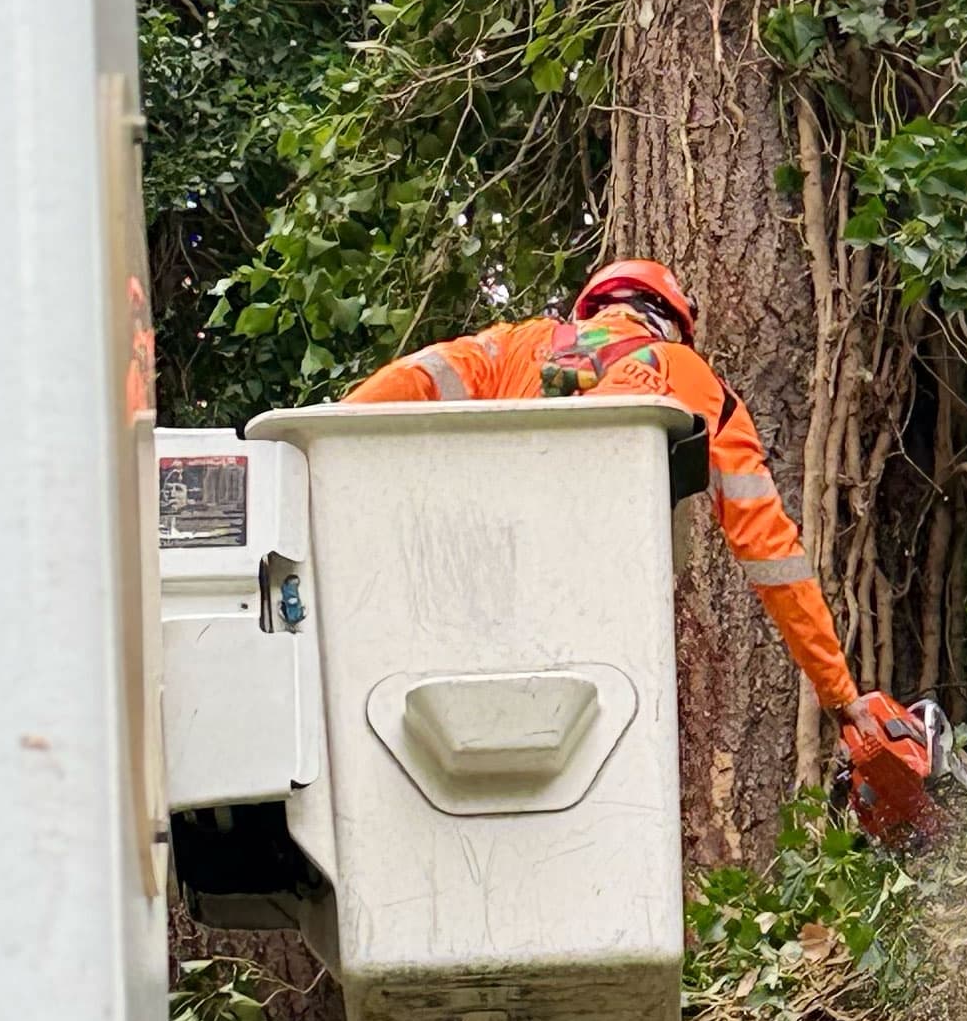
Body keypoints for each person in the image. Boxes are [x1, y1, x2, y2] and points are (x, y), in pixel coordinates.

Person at [345, 259, 880, 737]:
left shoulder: (517, 345)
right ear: (673, 323)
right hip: (606, 622)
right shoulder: (690, 375)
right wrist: (837, 690)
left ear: (593, 307)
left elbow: (412, 378)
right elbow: (769, 547)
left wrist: (313, 448)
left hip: (476, 598)